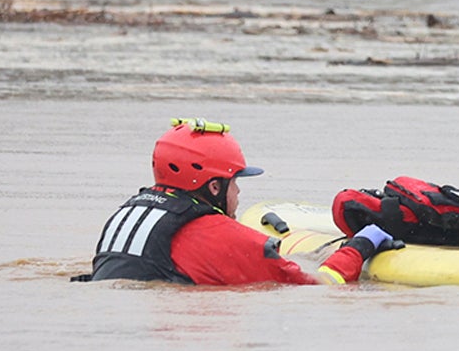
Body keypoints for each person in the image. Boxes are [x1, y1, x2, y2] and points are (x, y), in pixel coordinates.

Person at [88, 119, 400, 285]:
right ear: (214, 187)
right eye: (235, 181)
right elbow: (320, 286)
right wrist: (361, 246)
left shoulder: (129, 213)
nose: (238, 193)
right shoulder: (221, 235)